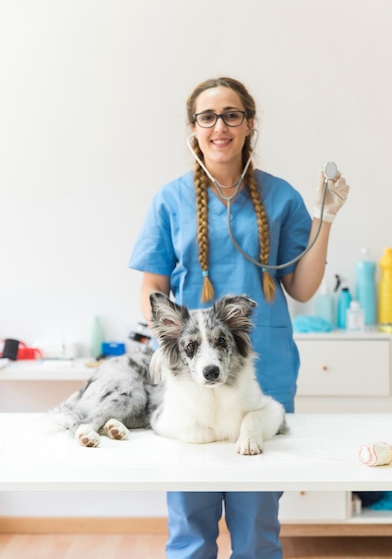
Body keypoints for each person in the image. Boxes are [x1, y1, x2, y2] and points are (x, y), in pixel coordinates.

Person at [129, 77, 349, 558]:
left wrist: (325, 218)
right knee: (190, 522)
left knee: (257, 524)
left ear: (249, 124)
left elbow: (302, 287)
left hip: (263, 372)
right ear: (193, 129)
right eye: (207, 117)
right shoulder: (170, 199)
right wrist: (161, 354)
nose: (220, 126)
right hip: (190, 378)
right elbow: (152, 288)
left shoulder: (282, 197)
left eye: (231, 115)